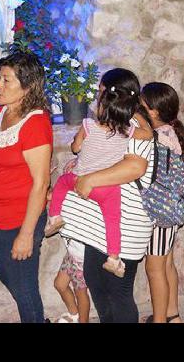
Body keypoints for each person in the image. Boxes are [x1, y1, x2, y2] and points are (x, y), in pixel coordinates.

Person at [57, 68, 156, 323]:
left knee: (118, 293)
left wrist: (89, 179)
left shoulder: (134, 125)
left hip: (123, 228)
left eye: (100, 91)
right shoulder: (118, 120)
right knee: (97, 284)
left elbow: (135, 166)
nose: (97, 96)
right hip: (98, 228)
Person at [0, 51, 53, 323]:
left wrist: (27, 234)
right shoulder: (1, 112)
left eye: (6, 80)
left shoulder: (36, 124)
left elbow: (41, 184)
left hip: (21, 217)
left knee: (24, 288)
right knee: (4, 272)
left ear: (27, 87)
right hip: (0, 215)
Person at [45, 74, 143, 278]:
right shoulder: (130, 130)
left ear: (103, 105)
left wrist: (77, 143)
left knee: (61, 183)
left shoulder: (88, 125)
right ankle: (114, 258)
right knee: (113, 220)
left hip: (78, 179)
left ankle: (54, 218)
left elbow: (76, 147)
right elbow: (144, 135)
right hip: (107, 189)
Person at [140, 82, 184, 324]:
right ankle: (172, 314)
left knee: (155, 268)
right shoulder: (169, 132)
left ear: (153, 112)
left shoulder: (155, 139)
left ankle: (161, 319)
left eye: (141, 105)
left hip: (160, 214)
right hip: (170, 211)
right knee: (167, 263)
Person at [52, 236, 90, 323]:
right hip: (72, 253)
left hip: (81, 258)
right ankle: (74, 316)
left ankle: (83, 321)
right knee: (60, 284)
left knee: (80, 292)